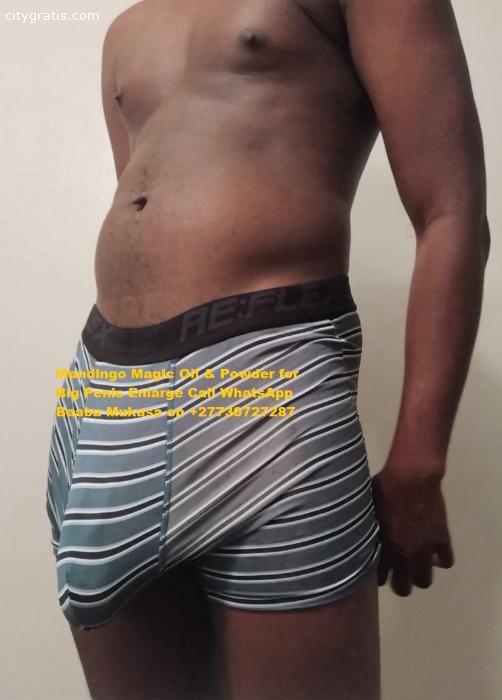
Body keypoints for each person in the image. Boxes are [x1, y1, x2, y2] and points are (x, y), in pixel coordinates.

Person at [45, 1, 490, 698]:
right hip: (100, 390)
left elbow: (450, 212)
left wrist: (419, 458)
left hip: (269, 379)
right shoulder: (126, 28)